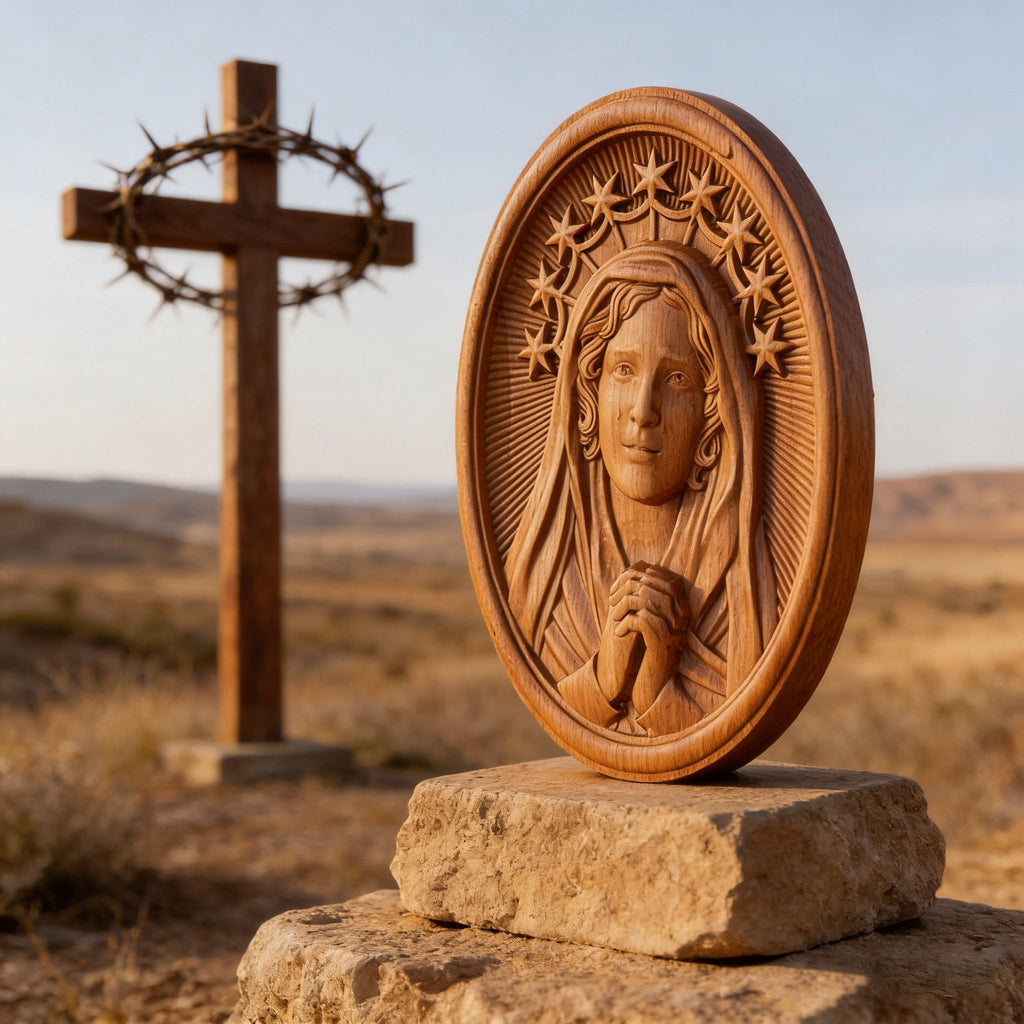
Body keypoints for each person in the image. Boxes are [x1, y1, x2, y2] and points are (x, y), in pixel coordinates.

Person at [505, 241, 776, 736]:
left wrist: (655, 691)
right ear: (589, 395)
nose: (643, 411)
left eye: (677, 379)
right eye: (624, 371)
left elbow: (732, 722)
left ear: (712, 414)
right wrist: (605, 676)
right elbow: (554, 697)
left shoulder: (746, 599)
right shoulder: (543, 582)